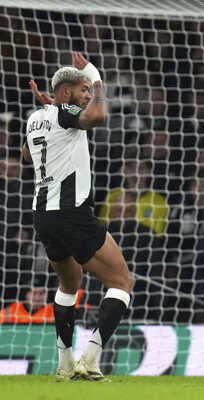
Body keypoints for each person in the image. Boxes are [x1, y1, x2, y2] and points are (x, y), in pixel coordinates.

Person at [24, 52, 132, 382]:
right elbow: (98, 116)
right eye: (83, 90)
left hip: (43, 214)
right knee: (121, 283)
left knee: (70, 283)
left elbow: (28, 154)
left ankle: (65, 363)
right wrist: (97, 78)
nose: (88, 96)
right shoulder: (63, 112)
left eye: (89, 89)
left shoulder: (34, 117)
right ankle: (91, 359)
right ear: (67, 91)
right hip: (71, 213)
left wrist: (50, 111)